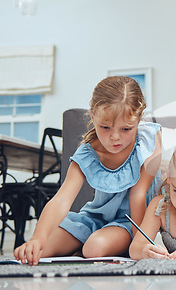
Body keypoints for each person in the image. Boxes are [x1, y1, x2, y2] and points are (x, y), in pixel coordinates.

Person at [14, 76, 163, 265]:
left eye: (126, 129)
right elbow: (61, 199)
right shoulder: (87, 153)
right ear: (93, 116)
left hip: (130, 222)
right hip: (93, 218)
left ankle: (84, 251)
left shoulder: (150, 139)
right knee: (41, 251)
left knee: (94, 248)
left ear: (139, 119)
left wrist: (139, 245)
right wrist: (37, 238)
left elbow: (138, 194)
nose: (115, 137)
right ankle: (78, 250)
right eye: (105, 127)